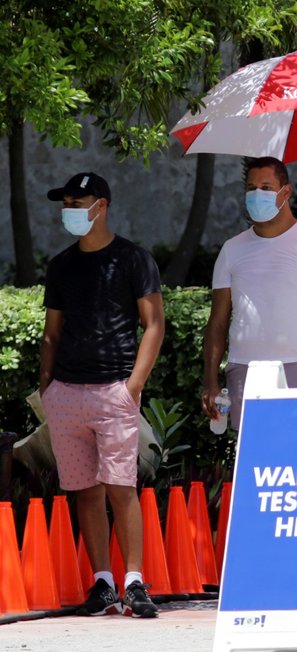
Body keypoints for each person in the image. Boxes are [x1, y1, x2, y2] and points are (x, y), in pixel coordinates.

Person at [40, 172, 164, 617]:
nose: (70, 209)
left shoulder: (133, 258)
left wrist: (133, 387)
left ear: (102, 205)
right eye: (65, 202)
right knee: (85, 491)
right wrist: (48, 386)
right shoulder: (61, 265)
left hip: (114, 389)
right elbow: (52, 333)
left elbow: (154, 323)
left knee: (120, 488)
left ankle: (134, 582)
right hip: (67, 394)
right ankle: (103, 583)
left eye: (79, 201)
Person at [202, 157, 297, 430]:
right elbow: (217, 321)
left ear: (286, 192)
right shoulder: (232, 249)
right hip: (245, 372)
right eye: (251, 187)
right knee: (253, 457)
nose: (257, 194)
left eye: (266, 187)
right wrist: (210, 379)